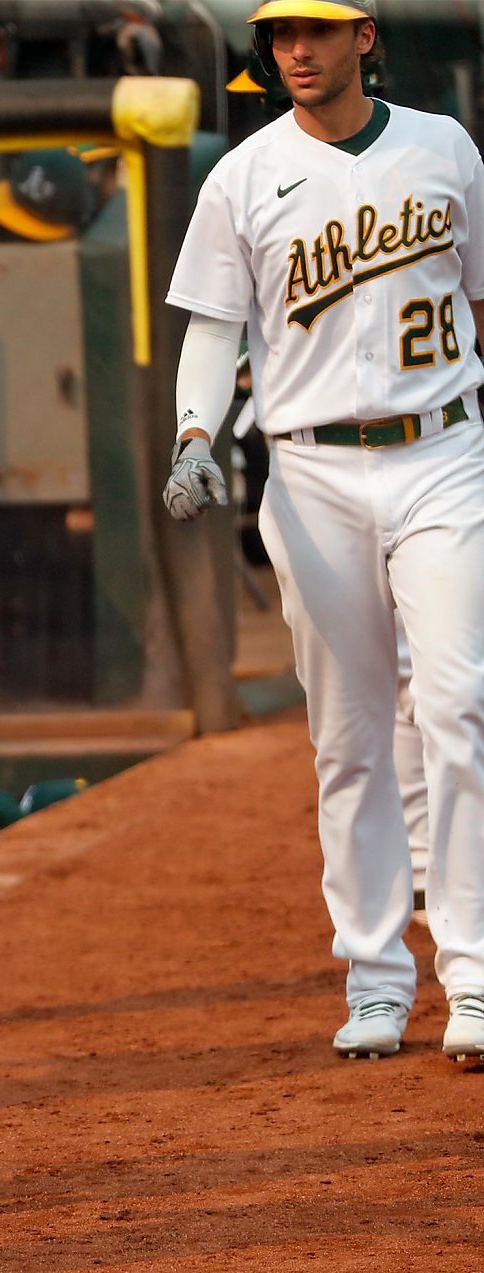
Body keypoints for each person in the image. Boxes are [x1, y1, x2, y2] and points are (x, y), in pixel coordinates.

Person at [161, 0, 484, 1062]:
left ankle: (472, 975)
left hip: (441, 450)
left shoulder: (442, 148)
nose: (293, 50)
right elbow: (212, 329)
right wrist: (194, 434)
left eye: (314, 30)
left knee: (453, 703)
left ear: (364, 37)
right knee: (346, 735)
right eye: (277, 35)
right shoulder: (241, 175)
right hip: (307, 470)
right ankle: (375, 973)